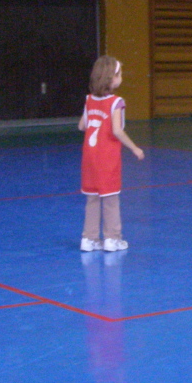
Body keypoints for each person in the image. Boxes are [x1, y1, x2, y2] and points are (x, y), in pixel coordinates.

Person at [79, 56, 144, 252]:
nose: (121, 77)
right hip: (107, 158)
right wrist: (134, 147)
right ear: (112, 78)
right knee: (110, 199)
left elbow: (82, 126)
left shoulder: (89, 100)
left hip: (89, 157)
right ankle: (112, 238)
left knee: (92, 198)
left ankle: (89, 238)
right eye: (120, 74)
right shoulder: (116, 102)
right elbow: (117, 131)